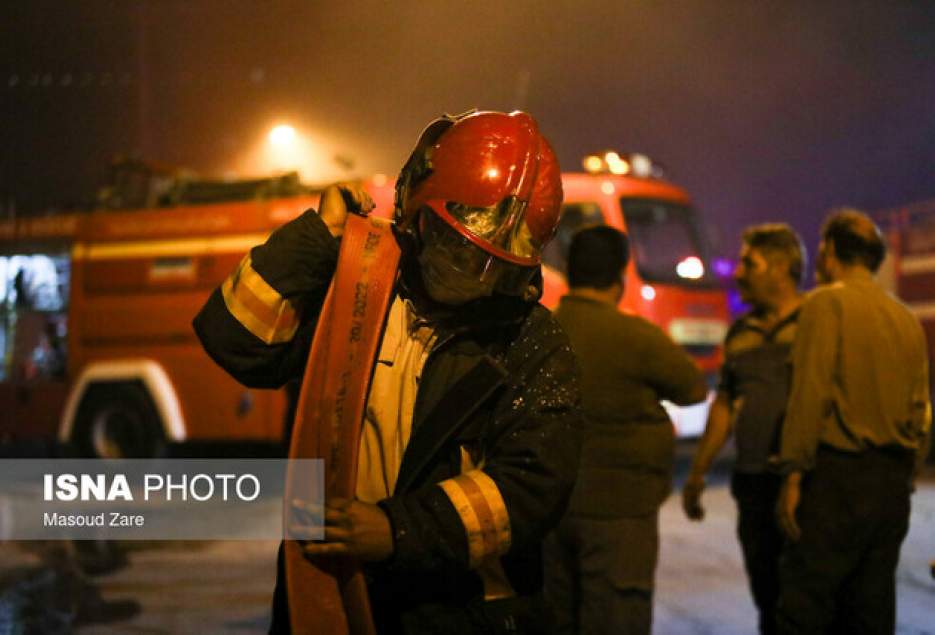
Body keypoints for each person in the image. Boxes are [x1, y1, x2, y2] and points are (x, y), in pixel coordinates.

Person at [193, 110, 583, 633]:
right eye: (458, 250)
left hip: (456, 611)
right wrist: (317, 238)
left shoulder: (531, 341)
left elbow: (532, 487)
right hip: (326, 591)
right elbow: (233, 338)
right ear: (414, 209)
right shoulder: (353, 290)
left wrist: (397, 531)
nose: (469, 277)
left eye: (493, 266)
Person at [543, 225, 707, 634]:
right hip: (620, 514)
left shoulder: (541, 333)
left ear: (568, 268)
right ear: (620, 276)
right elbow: (693, 388)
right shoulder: (636, 337)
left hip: (549, 511)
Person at [774, 209, 932, 634]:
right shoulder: (906, 320)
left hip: (836, 481)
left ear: (828, 253)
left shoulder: (825, 304)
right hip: (891, 484)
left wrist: (792, 475)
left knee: (806, 604)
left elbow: (810, 393)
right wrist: (906, 471)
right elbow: (921, 411)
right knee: (871, 608)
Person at [682, 223, 805, 635]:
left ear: (781, 267)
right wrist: (698, 473)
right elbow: (726, 405)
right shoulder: (740, 334)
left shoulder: (814, 327)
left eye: (748, 263)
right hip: (752, 484)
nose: (736, 272)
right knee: (767, 598)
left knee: (805, 601)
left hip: (801, 486)